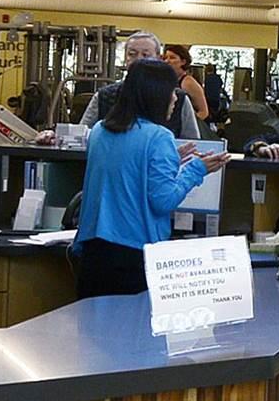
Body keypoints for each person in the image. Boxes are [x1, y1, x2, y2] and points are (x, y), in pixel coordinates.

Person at [69, 59, 225, 298]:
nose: (175, 99)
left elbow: (125, 173)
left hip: (93, 252)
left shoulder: (100, 130)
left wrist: (170, 159)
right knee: (132, 333)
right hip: (133, 257)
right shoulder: (158, 137)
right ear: (155, 94)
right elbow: (163, 200)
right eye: (171, 92)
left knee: (93, 330)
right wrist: (196, 170)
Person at [90, 32, 199, 139]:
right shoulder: (103, 96)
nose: (139, 59)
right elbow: (82, 137)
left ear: (158, 58)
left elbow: (193, 143)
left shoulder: (179, 99)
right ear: (125, 59)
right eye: (132, 54)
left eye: (146, 55)